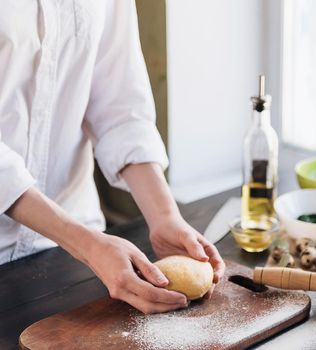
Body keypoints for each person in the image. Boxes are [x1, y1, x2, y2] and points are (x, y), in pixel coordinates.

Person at [0, 1, 225, 314]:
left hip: (75, 259)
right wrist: (88, 244)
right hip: (80, 246)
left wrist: (164, 217)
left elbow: (120, 107)